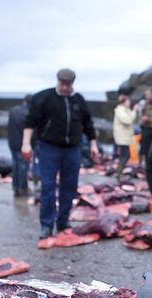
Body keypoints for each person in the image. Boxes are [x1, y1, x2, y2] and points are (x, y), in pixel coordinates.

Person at [22, 68, 98, 239]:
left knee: (69, 187)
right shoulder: (44, 98)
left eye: (68, 84)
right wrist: (26, 144)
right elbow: (30, 121)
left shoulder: (78, 100)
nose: (65, 87)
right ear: (57, 81)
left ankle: (63, 222)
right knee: (48, 186)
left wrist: (93, 144)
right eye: (62, 84)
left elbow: (88, 124)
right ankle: (47, 226)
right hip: (49, 148)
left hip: (73, 149)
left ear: (72, 83)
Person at [7, 94, 33, 197]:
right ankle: (22, 188)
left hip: (12, 142)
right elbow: (30, 129)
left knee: (15, 165)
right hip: (23, 144)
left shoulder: (14, 110)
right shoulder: (28, 113)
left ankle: (15, 187)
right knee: (23, 166)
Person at [113, 94, 138, 181]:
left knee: (124, 155)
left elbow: (129, 117)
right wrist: (134, 111)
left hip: (124, 137)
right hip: (122, 137)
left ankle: (119, 173)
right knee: (125, 155)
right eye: (128, 101)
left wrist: (132, 111)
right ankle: (119, 174)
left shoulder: (125, 110)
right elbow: (127, 120)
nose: (129, 103)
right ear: (124, 102)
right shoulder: (120, 110)